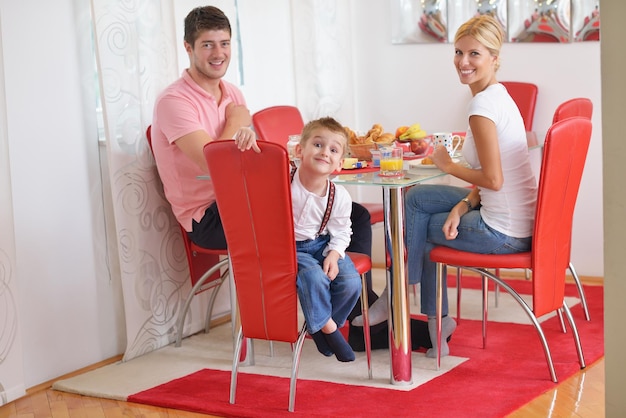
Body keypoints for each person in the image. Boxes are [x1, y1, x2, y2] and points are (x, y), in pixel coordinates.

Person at [352, 14, 537, 359]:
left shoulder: (481, 107)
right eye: (458, 52)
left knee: (417, 227)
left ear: (495, 58)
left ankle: (401, 301)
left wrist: (447, 166)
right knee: (418, 198)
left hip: (501, 231)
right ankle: (428, 314)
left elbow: (494, 179)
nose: (463, 62)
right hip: (518, 221)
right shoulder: (500, 96)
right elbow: (500, 177)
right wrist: (463, 205)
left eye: (474, 54)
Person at [149, 5, 373, 264]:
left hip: (246, 199)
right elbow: (212, 165)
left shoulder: (232, 93)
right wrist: (235, 120)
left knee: (354, 216)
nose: (219, 53)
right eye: (207, 45)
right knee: (310, 226)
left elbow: (247, 155)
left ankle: (357, 303)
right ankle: (318, 295)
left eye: (224, 43)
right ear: (188, 48)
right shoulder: (174, 101)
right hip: (210, 217)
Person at [291, 117, 362, 362]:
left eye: (333, 150)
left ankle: (323, 326)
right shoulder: (281, 181)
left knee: (351, 282)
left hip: (321, 244)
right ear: (300, 150)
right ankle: (330, 331)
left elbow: (342, 231)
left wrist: (334, 253)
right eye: (318, 145)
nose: (324, 153)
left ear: (340, 164)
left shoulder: (339, 195)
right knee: (313, 277)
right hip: (289, 248)